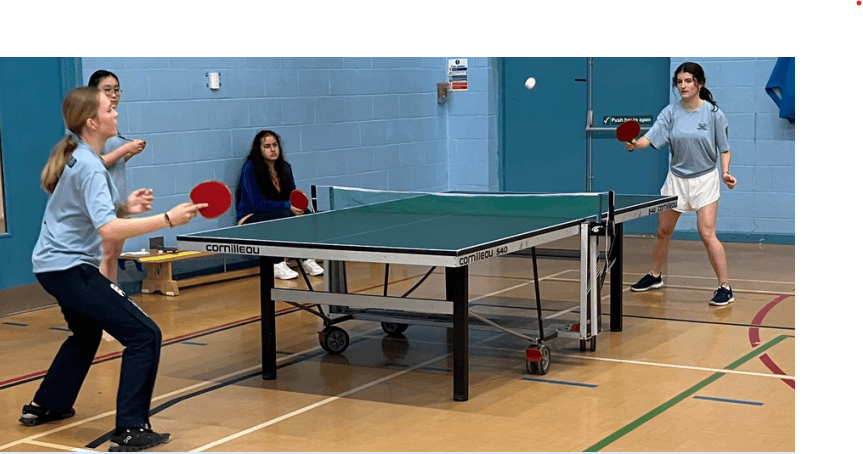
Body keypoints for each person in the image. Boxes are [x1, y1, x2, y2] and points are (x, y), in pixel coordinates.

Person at [21, 86, 205, 452]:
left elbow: (93, 215)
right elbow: (107, 231)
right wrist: (167, 219)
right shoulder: (89, 165)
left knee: (86, 334)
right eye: (109, 108)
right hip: (69, 268)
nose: (116, 112)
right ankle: (131, 429)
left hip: (51, 265)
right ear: (92, 121)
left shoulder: (83, 158)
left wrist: (124, 207)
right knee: (144, 335)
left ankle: (47, 404)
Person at [624, 62, 738, 306]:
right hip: (676, 179)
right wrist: (635, 144)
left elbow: (725, 148)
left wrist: (726, 172)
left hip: (705, 179)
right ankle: (655, 275)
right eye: (679, 81)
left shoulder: (713, 114)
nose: (683, 86)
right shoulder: (670, 112)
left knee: (706, 233)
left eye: (688, 81)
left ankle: (725, 286)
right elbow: (650, 138)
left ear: (699, 83)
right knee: (663, 231)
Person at [236, 130, 323, 279]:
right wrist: (287, 207)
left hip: (278, 215)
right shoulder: (250, 169)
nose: (272, 149)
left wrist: (297, 208)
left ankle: (307, 259)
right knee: (285, 214)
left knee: (306, 214)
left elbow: (292, 196)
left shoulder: (285, 168)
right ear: (260, 149)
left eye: (275, 145)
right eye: (267, 146)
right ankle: (276, 264)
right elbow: (258, 204)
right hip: (250, 219)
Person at [87, 70, 147, 284]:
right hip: (101, 203)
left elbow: (112, 165)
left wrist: (129, 153)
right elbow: (95, 164)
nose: (113, 94)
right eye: (107, 90)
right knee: (104, 255)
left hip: (118, 202)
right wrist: (125, 149)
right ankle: (103, 304)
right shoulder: (91, 122)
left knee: (113, 255)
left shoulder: (112, 121)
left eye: (116, 90)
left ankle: (115, 299)